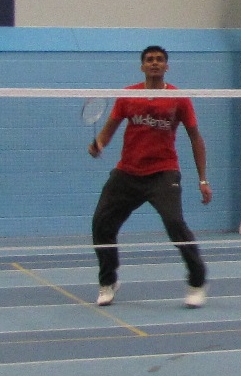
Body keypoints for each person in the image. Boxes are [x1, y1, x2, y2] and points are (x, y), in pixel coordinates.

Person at [87, 45, 213, 307]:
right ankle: (108, 280)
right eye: (149, 60)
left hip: (163, 173)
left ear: (166, 66)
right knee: (101, 224)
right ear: (142, 66)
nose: (154, 63)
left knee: (175, 224)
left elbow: (195, 138)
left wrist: (203, 180)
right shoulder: (128, 96)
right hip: (127, 173)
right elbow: (110, 129)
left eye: (159, 60)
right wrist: (99, 144)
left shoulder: (179, 98)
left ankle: (197, 280)